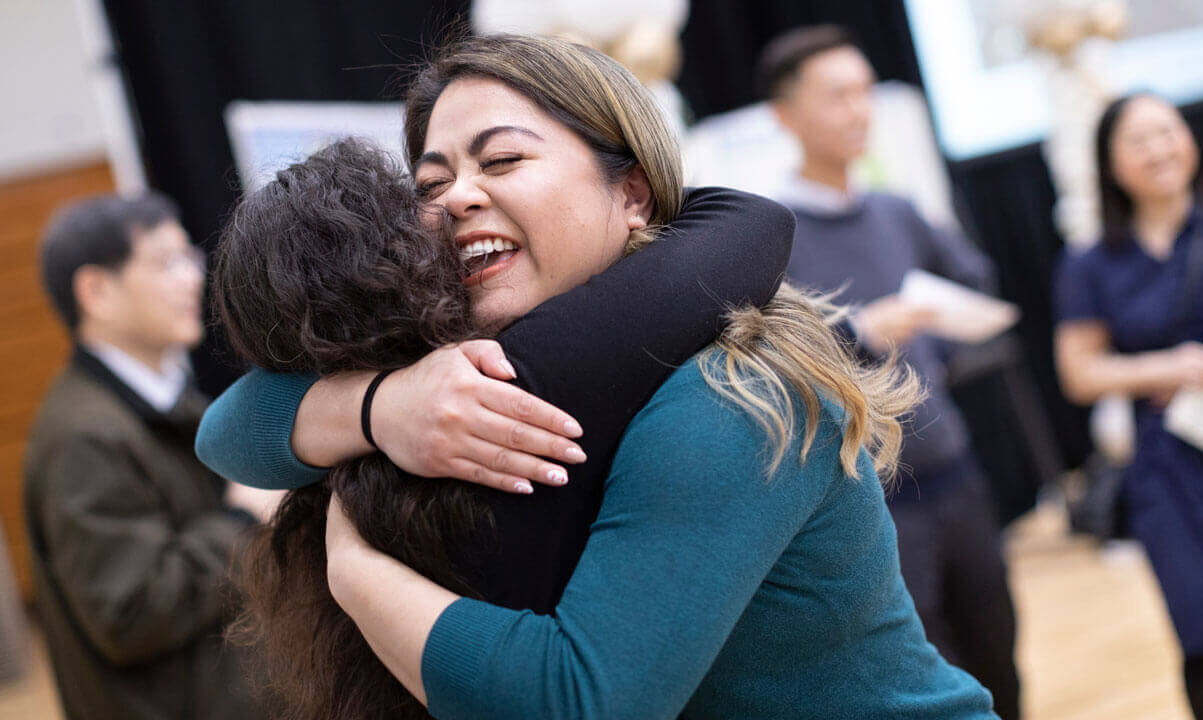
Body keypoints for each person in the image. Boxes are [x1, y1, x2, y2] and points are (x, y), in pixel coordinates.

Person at [220, 33, 993, 719]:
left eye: (503, 159)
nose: (457, 196)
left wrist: (355, 573)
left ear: (630, 192)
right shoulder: (455, 370)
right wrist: (380, 408)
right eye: (430, 184)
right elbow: (229, 430)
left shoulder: (736, 394)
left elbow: (581, 700)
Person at [759, 25, 1022, 719]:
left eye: (865, 93)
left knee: (1002, 660)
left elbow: (977, 284)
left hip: (955, 474)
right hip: (867, 501)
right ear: (785, 117)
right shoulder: (771, 240)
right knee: (925, 682)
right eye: (837, 96)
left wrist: (943, 337)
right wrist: (860, 331)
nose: (860, 111)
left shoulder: (896, 210)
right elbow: (771, 366)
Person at [1054, 92, 1203, 720]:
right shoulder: (1091, 262)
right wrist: (1165, 367)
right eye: (1138, 139)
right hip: (1173, 470)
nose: (1159, 149)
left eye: (1168, 131)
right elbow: (1078, 372)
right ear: (1109, 163)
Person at [23, 193, 278, 720]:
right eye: (166, 262)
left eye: (190, 257)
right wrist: (241, 519)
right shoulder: (82, 438)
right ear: (96, 290)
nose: (191, 278)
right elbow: (131, 613)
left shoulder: (161, 394)